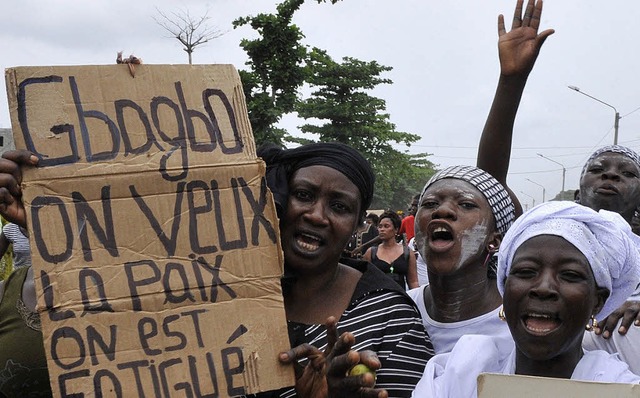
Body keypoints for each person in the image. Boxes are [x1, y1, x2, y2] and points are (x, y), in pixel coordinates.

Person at [478, 0, 640, 352]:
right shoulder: (542, 235)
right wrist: (511, 82)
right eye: (597, 170)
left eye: (626, 173)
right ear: (579, 190)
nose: (609, 176)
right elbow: (488, 185)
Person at [256, 143, 434, 397]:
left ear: (358, 224)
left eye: (339, 207)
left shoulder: (391, 317)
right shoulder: (227, 294)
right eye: (304, 195)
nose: (317, 216)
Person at [413, 201, 640, 397]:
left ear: (597, 301)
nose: (543, 288)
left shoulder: (620, 388)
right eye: (526, 272)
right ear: (505, 288)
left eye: (570, 275)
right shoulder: (458, 374)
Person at [408, 165, 517, 354]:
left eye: (466, 204)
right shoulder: (398, 311)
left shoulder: (518, 326)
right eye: (430, 204)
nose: (442, 211)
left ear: (495, 240)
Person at [363, 211, 419, 290]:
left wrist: (414, 299)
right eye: (380, 226)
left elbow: (413, 281)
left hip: (400, 298)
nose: (382, 229)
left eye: (386, 226)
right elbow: (365, 280)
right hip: (378, 298)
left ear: (396, 230)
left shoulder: (407, 253)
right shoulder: (371, 252)